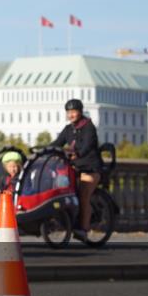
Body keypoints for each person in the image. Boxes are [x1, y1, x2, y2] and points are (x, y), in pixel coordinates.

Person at [49, 98, 103, 242]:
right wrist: (45, 150)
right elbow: (57, 143)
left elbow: (87, 146)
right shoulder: (68, 129)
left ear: (80, 112)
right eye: (69, 112)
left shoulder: (88, 127)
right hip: (75, 168)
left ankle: (84, 229)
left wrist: (77, 154)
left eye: (74, 112)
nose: (71, 115)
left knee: (83, 196)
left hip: (90, 168)